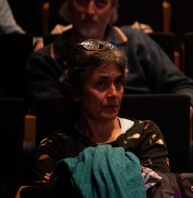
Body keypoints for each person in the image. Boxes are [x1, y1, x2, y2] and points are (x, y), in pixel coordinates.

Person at [26, 0, 193, 115]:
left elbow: (183, 87)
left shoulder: (137, 41)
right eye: (83, 0)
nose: (90, 11)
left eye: (100, 2)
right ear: (69, 1)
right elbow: (52, 114)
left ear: (113, 6)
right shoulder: (44, 60)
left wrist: (181, 111)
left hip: (146, 138)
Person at [33, 40, 169, 186]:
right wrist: (132, 175)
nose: (113, 94)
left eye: (118, 82)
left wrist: (73, 178)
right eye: (101, 83)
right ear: (76, 92)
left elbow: (156, 190)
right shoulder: (55, 146)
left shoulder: (146, 134)